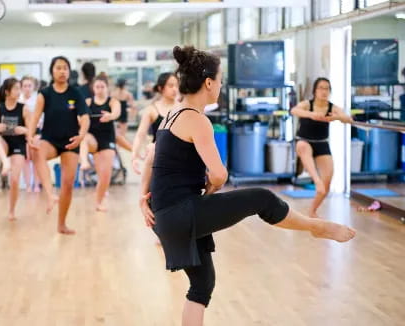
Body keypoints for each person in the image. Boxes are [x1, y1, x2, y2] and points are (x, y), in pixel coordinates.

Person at [139, 46, 356, 326]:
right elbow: (219, 174)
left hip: (164, 213)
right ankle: (316, 227)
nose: (220, 85)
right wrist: (210, 189)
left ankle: (315, 227)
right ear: (208, 83)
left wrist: (141, 200)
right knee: (262, 198)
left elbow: (150, 159)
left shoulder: (172, 114)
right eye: (220, 80)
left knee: (202, 285)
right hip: (181, 213)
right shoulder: (196, 119)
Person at [28, 56, 89, 235]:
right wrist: (31, 136)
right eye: (58, 68)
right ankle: (49, 195)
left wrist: (81, 135)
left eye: (65, 68)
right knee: (36, 150)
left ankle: (61, 224)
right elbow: (35, 117)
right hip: (50, 139)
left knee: (68, 184)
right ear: (52, 71)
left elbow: (84, 118)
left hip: (71, 141)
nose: (62, 71)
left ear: (69, 71)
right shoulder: (44, 93)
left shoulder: (75, 93)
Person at [290, 77, 353, 218]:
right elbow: (294, 110)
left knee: (327, 184)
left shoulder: (332, 108)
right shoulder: (307, 104)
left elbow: (348, 119)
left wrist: (336, 117)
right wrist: (312, 115)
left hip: (322, 143)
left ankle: (312, 211)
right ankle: (315, 180)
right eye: (321, 88)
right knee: (302, 147)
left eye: (327, 88)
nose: (324, 91)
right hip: (304, 141)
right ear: (315, 90)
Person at [0, 77, 31, 221]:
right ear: (7, 92)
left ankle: (12, 210)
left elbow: (31, 130)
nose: (19, 92)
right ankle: (5, 162)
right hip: (3, 143)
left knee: (14, 180)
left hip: (18, 145)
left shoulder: (24, 108)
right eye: (16, 89)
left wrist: (23, 130)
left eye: (20, 88)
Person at [79, 75, 121, 211]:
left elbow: (116, 112)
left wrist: (110, 116)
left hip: (107, 139)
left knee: (105, 175)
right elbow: (80, 116)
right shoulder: (88, 102)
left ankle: (98, 202)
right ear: (93, 88)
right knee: (84, 138)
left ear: (107, 88)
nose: (100, 89)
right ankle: (84, 162)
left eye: (102, 87)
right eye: (97, 87)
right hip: (92, 139)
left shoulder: (112, 101)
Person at [131, 72, 178, 174]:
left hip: (179, 157)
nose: (175, 89)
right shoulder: (152, 109)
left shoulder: (182, 108)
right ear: (161, 88)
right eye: (171, 85)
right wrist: (134, 157)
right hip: (158, 156)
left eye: (177, 85)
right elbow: (140, 135)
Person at [19, 76, 41, 193]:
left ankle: (37, 184)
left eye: (29, 86)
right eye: (25, 86)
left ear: (33, 87)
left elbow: (42, 118)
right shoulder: (19, 100)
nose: (27, 88)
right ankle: (28, 184)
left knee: (36, 156)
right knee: (26, 158)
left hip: (37, 131)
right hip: (22, 132)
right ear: (21, 87)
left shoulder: (38, 99)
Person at [111, 79, 135, 147]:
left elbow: (110, 104)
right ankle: (122, 146)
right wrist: (131, 114)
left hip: (115, 112)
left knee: (115, 132)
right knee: (123, 134)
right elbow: (132, 105)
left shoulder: (113, 93)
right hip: (123, 113)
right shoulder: (128, 94)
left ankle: (116, 145)